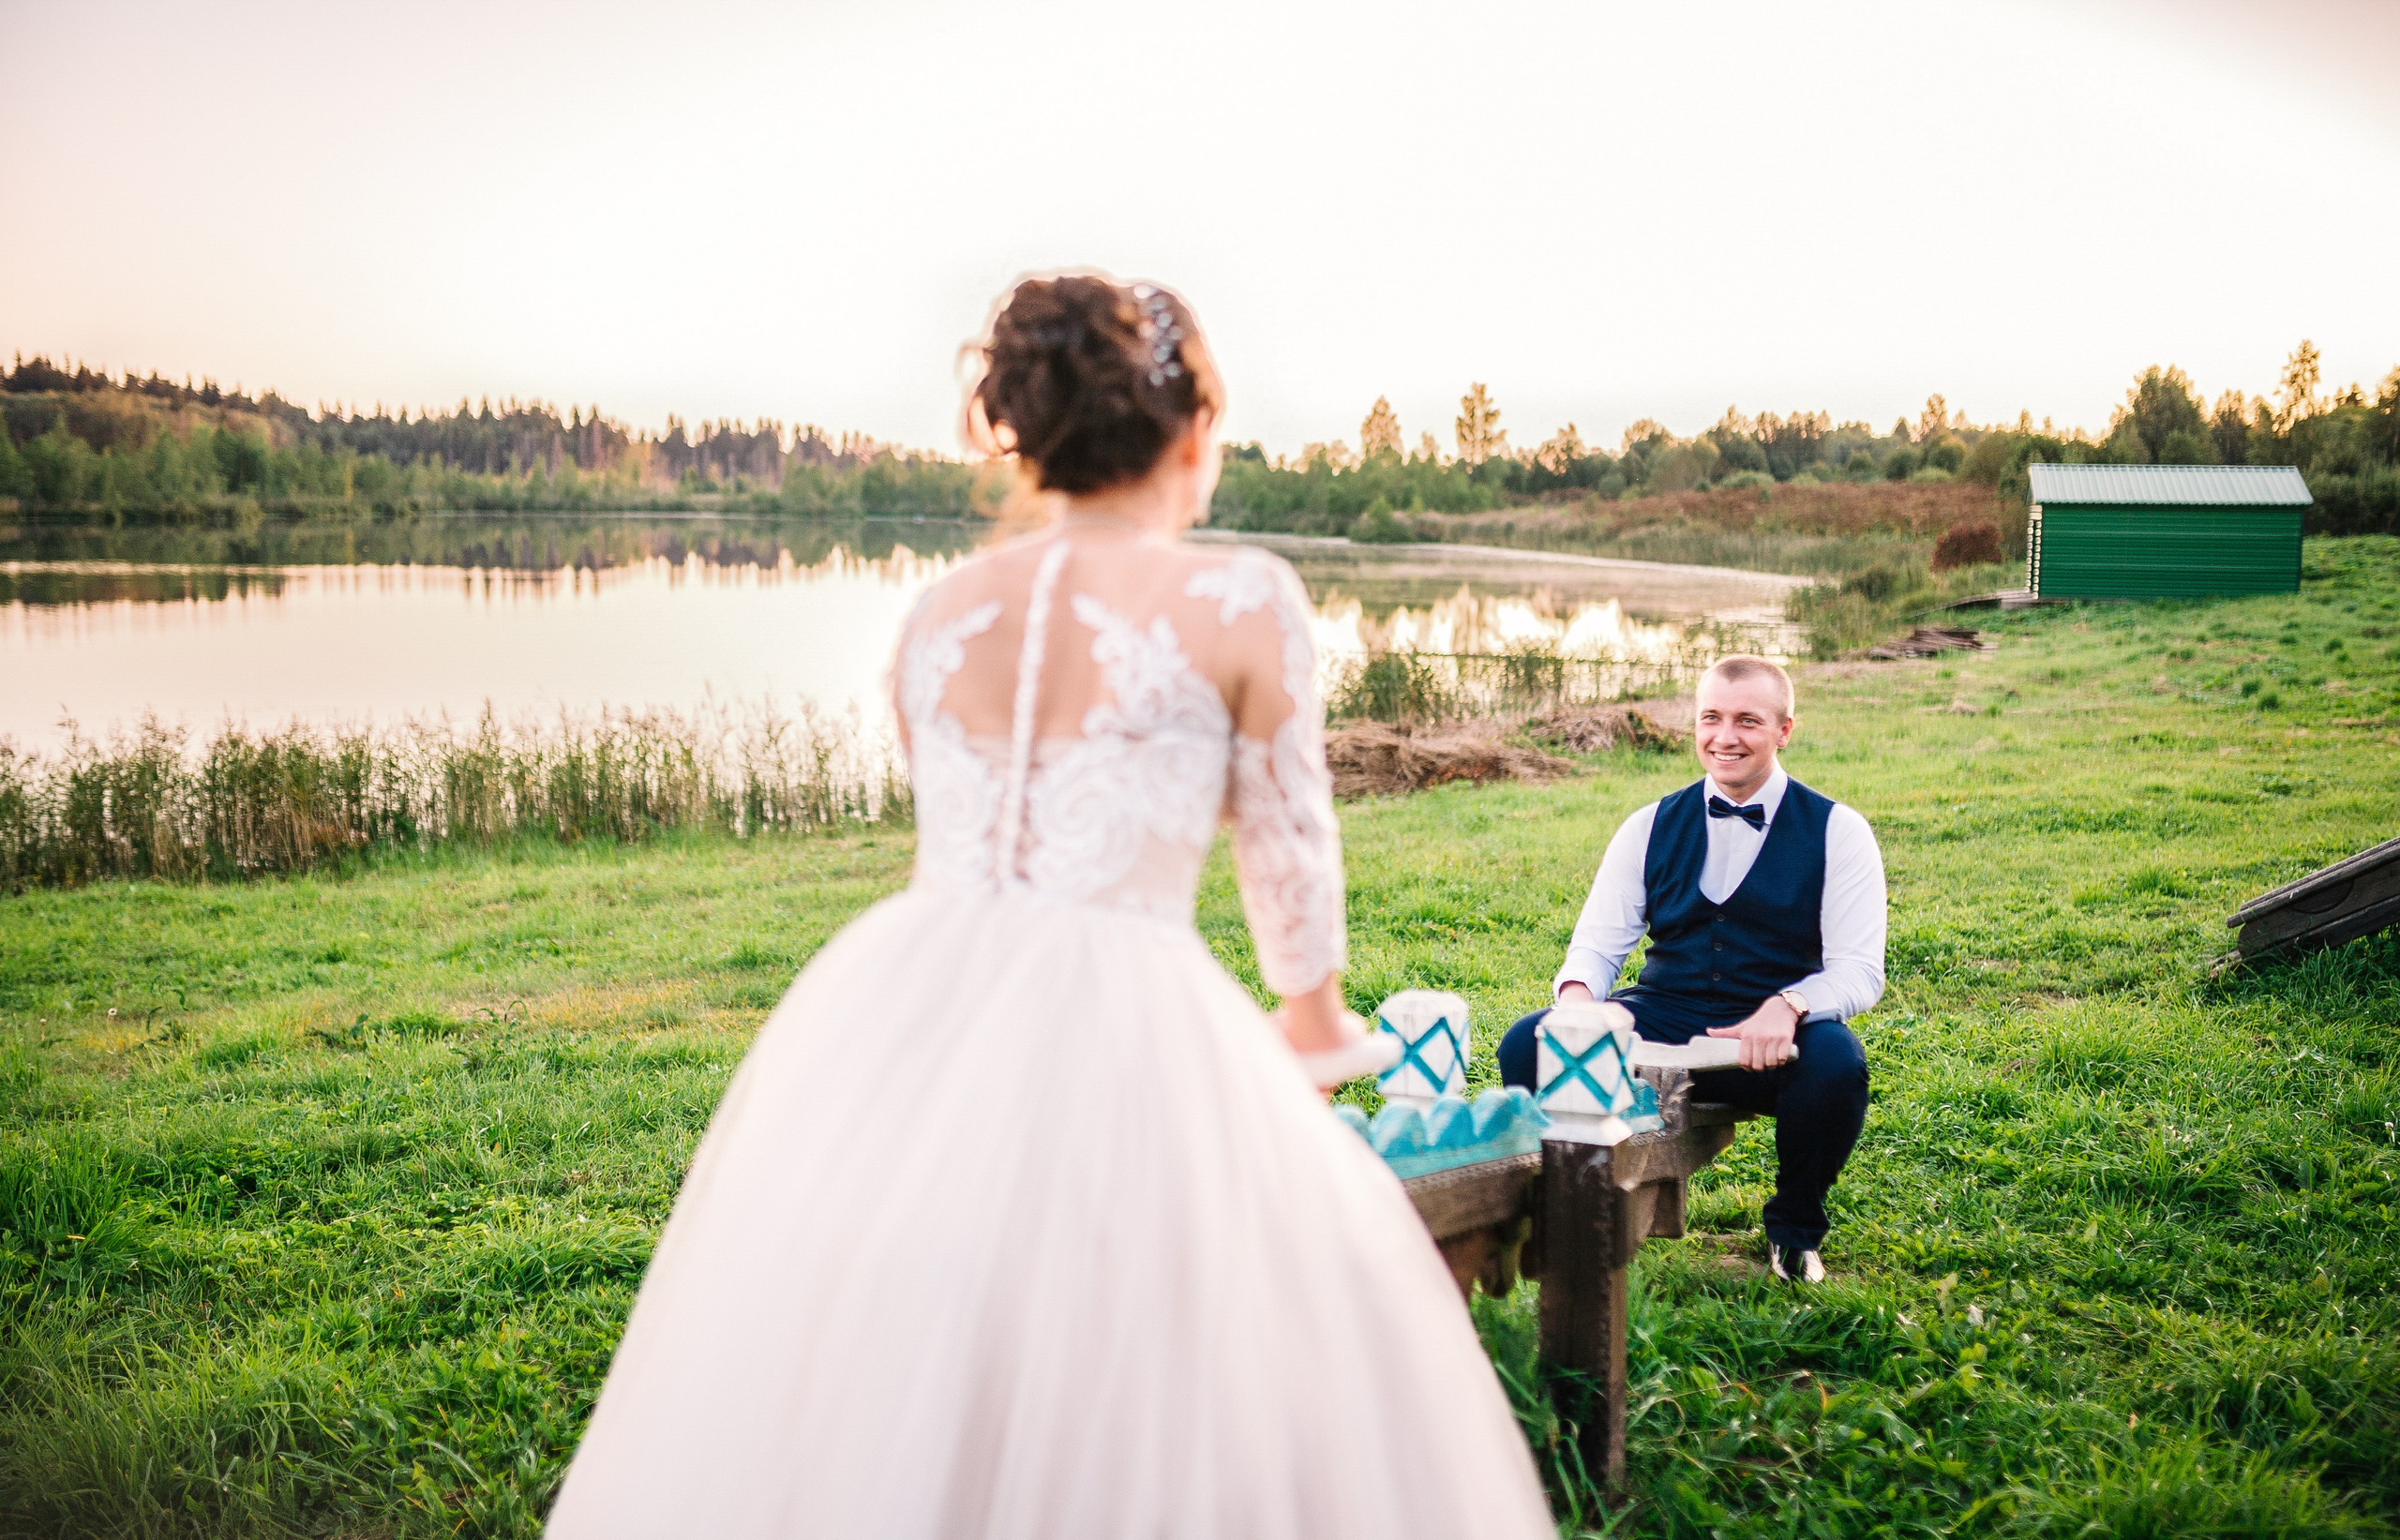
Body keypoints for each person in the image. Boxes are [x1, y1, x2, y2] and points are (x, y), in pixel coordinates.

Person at [547, 276, 1552, 1538]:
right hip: (1127, 989)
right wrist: (1313, 1012)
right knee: (1159, 1316)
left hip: (905, 993)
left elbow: (953, 803)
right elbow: (1288, 835)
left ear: (1036, 433)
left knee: (898, 1314)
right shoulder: (1240, 598)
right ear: (1189, 432)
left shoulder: (933, 614)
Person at [1495, 656, 1885, 1284]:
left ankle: (1793, 1232)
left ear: (1784, 730)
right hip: (1666, 1010)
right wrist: (1578, 1007)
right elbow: (1596, 947)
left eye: (1747, 721)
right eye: (1711, 718)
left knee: (1836, 1065)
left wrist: (1789, 1005)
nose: (1724, 736)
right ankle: (1571, 1202)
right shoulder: (1648, 824)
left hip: (1770, 1029)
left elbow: (1860, 970)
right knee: (1530, 1042)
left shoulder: (1840, 830)